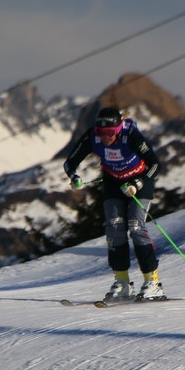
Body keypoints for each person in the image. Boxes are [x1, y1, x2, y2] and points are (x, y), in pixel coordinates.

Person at [63, 106, 166, 301]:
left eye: (110, 133)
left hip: (139, 181)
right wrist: (74, 176)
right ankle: (122, 282)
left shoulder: (130, 135)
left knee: (136, 226)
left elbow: (154, 164)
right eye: (101, 132)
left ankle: (153, 282)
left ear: (118, 129)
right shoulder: (92, 136)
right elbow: (70, 162)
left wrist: (137, 183)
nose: (105, 137)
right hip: (113, 182)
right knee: (115, 227)